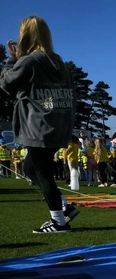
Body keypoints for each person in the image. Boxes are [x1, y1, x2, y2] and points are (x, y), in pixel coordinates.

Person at [0, 16, 77, 233]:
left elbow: (7, 83)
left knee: (42, 173)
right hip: (58, 123)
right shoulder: (57, 61)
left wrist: (11, 59)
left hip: (37, 124)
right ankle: (63, 207)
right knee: (29, 168)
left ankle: (58, 222)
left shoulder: (30, 61)